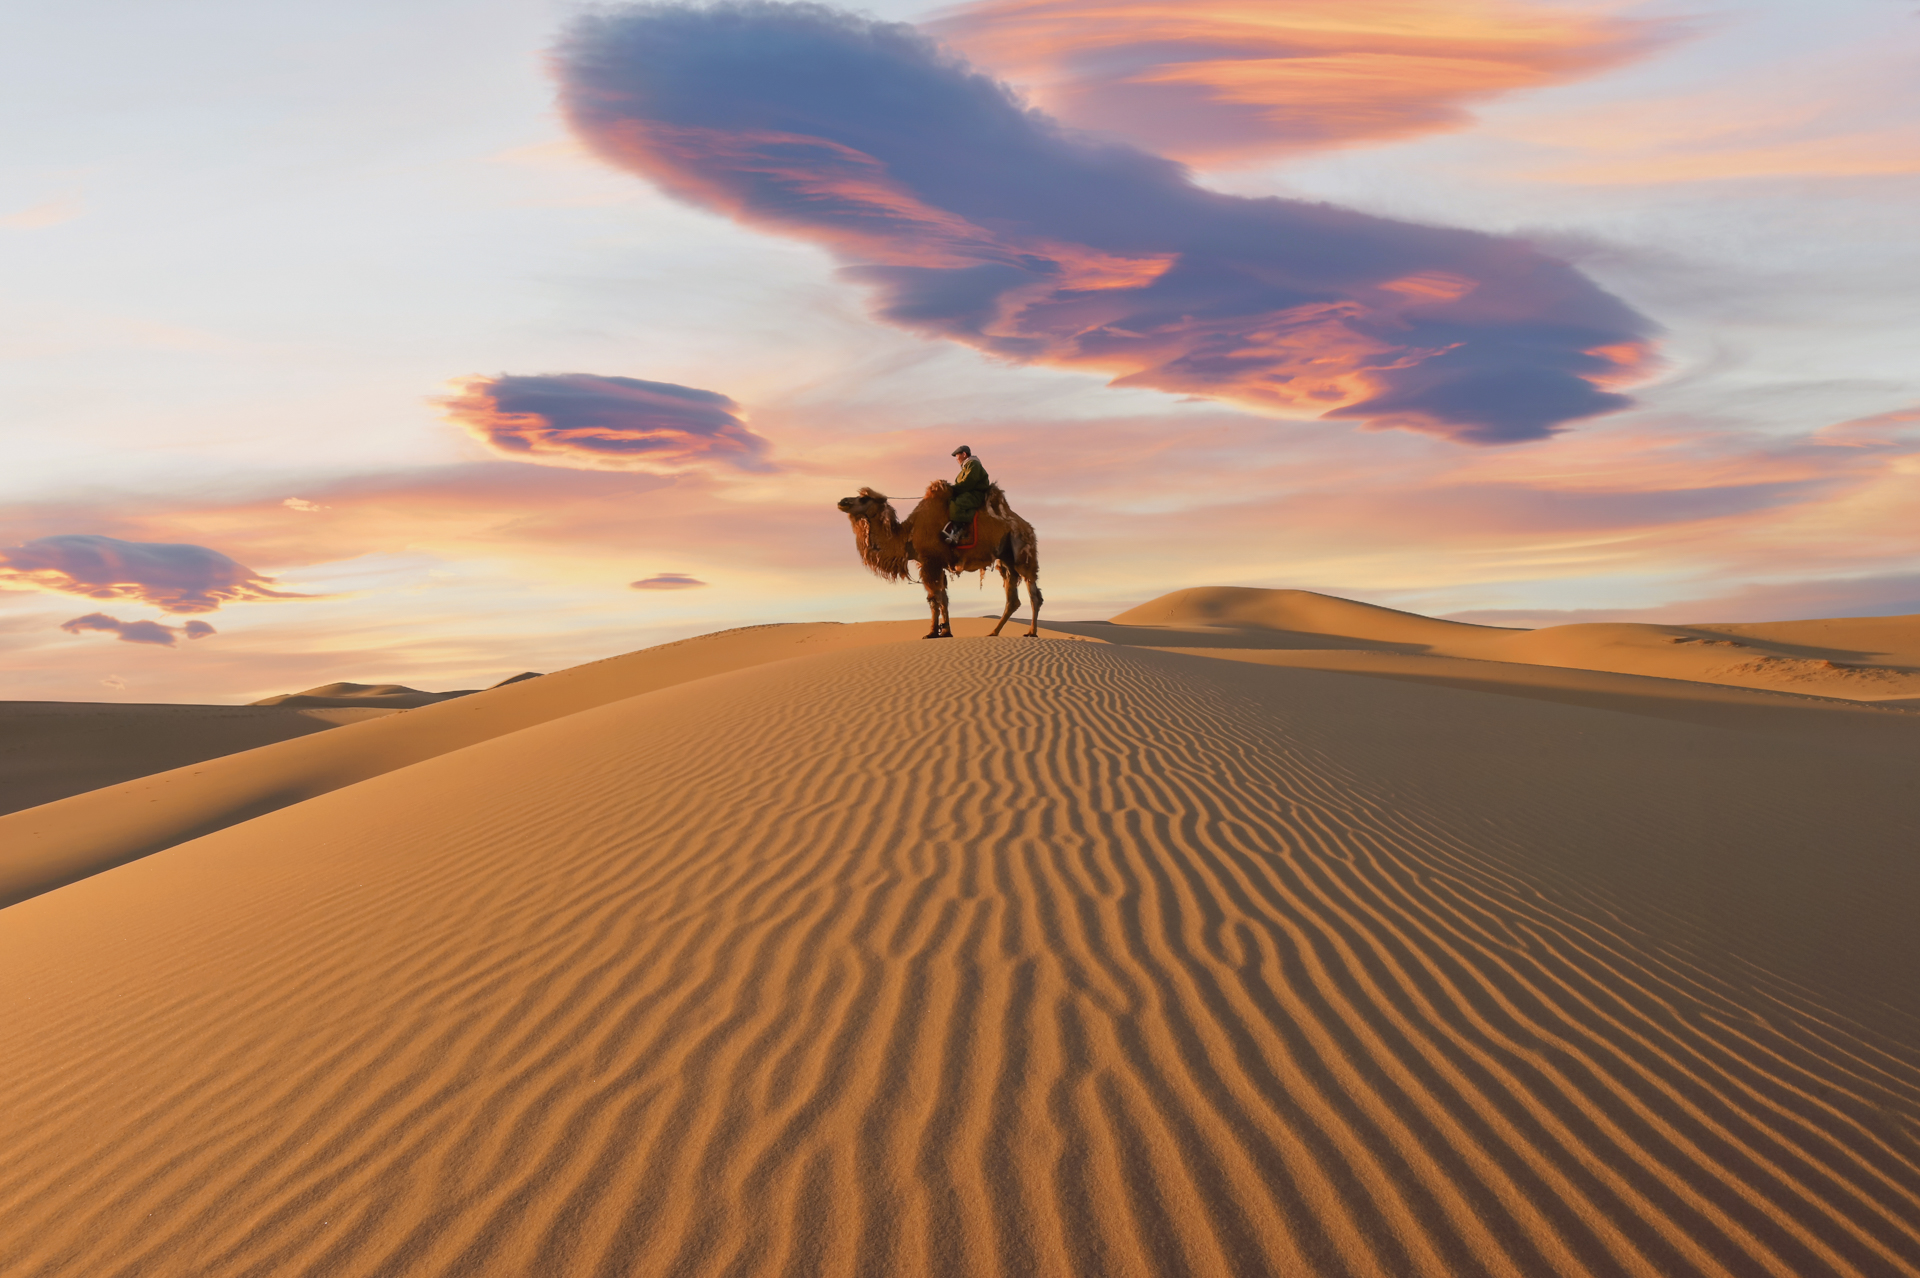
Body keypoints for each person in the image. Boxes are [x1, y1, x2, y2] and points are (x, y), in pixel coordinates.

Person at [943, 445, 989, 545]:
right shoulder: (966, 467)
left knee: (957, 503)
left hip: (975, 494)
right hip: (969, 493)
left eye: (957, 455)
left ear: (964, 454)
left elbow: (968, 482)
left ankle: (958, 530)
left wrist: (952, 490)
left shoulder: (973, 464)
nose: (956, 459)